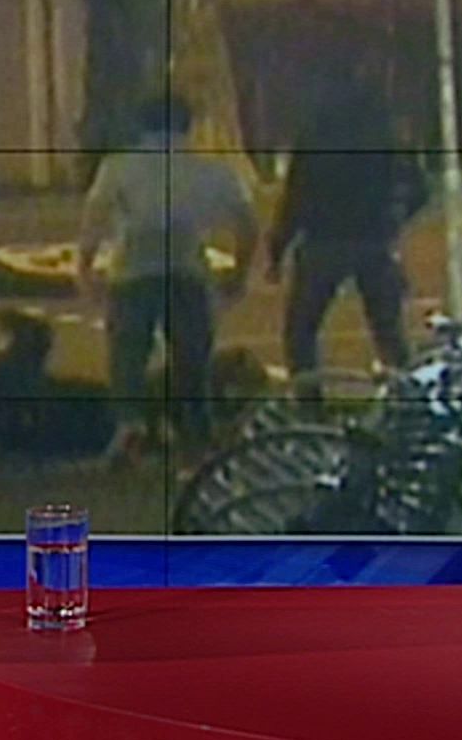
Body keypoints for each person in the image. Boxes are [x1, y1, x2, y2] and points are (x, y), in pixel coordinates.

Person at [76, 94, 259, 465]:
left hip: (134, 267)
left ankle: (130, 424)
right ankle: (197, 433)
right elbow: (247, 224)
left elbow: (95, 217)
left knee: (128, 354)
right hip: (186, 266)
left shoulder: (119, 166)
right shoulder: (211, 171)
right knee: (193, 357)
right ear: (187, 126)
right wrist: (239, 271)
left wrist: (85, 266)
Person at [264, 97, 430, 400]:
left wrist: (278, 250)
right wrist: (394, 221)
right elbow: (419, 189)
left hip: (323, 242)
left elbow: (294, 198)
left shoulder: (315, 136)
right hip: (373, 240)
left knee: (301, 331)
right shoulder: (383, 133)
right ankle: (408, 400)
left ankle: (309, 402)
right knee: (389, 332)